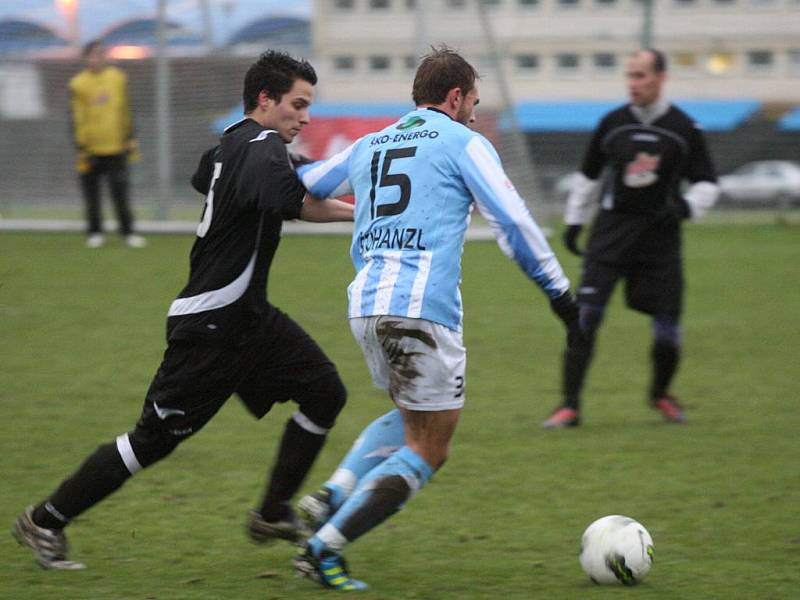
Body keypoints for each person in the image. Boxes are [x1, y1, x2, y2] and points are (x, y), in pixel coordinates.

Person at [13, 50, 355, 570]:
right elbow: (297, 203)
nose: (305, 118)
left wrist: (311, 171)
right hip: (213, 323)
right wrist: (366, 215)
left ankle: (272, 510)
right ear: (266, 100)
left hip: (249, 318)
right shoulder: (261, 145)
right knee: (151, 441)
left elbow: (209, 174)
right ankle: (44, 520)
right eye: (298, 104)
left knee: (325, 393)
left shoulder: (233, 144)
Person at [290, 45, 580, 590]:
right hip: (421, 310)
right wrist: (560, 293)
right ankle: (324, 548)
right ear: (455, 97)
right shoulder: (464, 143)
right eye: (473, 100)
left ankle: (332, 493)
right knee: (432, 444)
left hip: (365, 303)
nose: (475, 111)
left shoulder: (371, 143)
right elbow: (512, 224)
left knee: (411, 415)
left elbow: (303, 189)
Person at [542, 49, 720, 429]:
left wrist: (685, 209)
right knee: (585, 318)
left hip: (660, 239)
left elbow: (707, 183)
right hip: (611, 234)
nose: (633, 84)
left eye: (641, 76)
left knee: (668, 329)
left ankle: (660, 394)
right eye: (630, 76)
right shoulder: (613, 124)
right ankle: (569, 406)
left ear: (661, 78)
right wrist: (575, 222)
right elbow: (588, 177)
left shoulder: (684, 129)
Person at [70, 40, 146, 248]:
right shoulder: (78, 84)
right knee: (92, 194)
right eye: (92, 55)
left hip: (116, 147)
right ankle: (95, 232)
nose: (96, 58)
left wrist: (130, 136)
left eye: (99, 54)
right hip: (91, 149)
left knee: (120, 192)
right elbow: (77, 117)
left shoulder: (117, 78)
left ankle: (128, 232)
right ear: (86, 58)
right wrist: (81, 147)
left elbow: (125, 109)